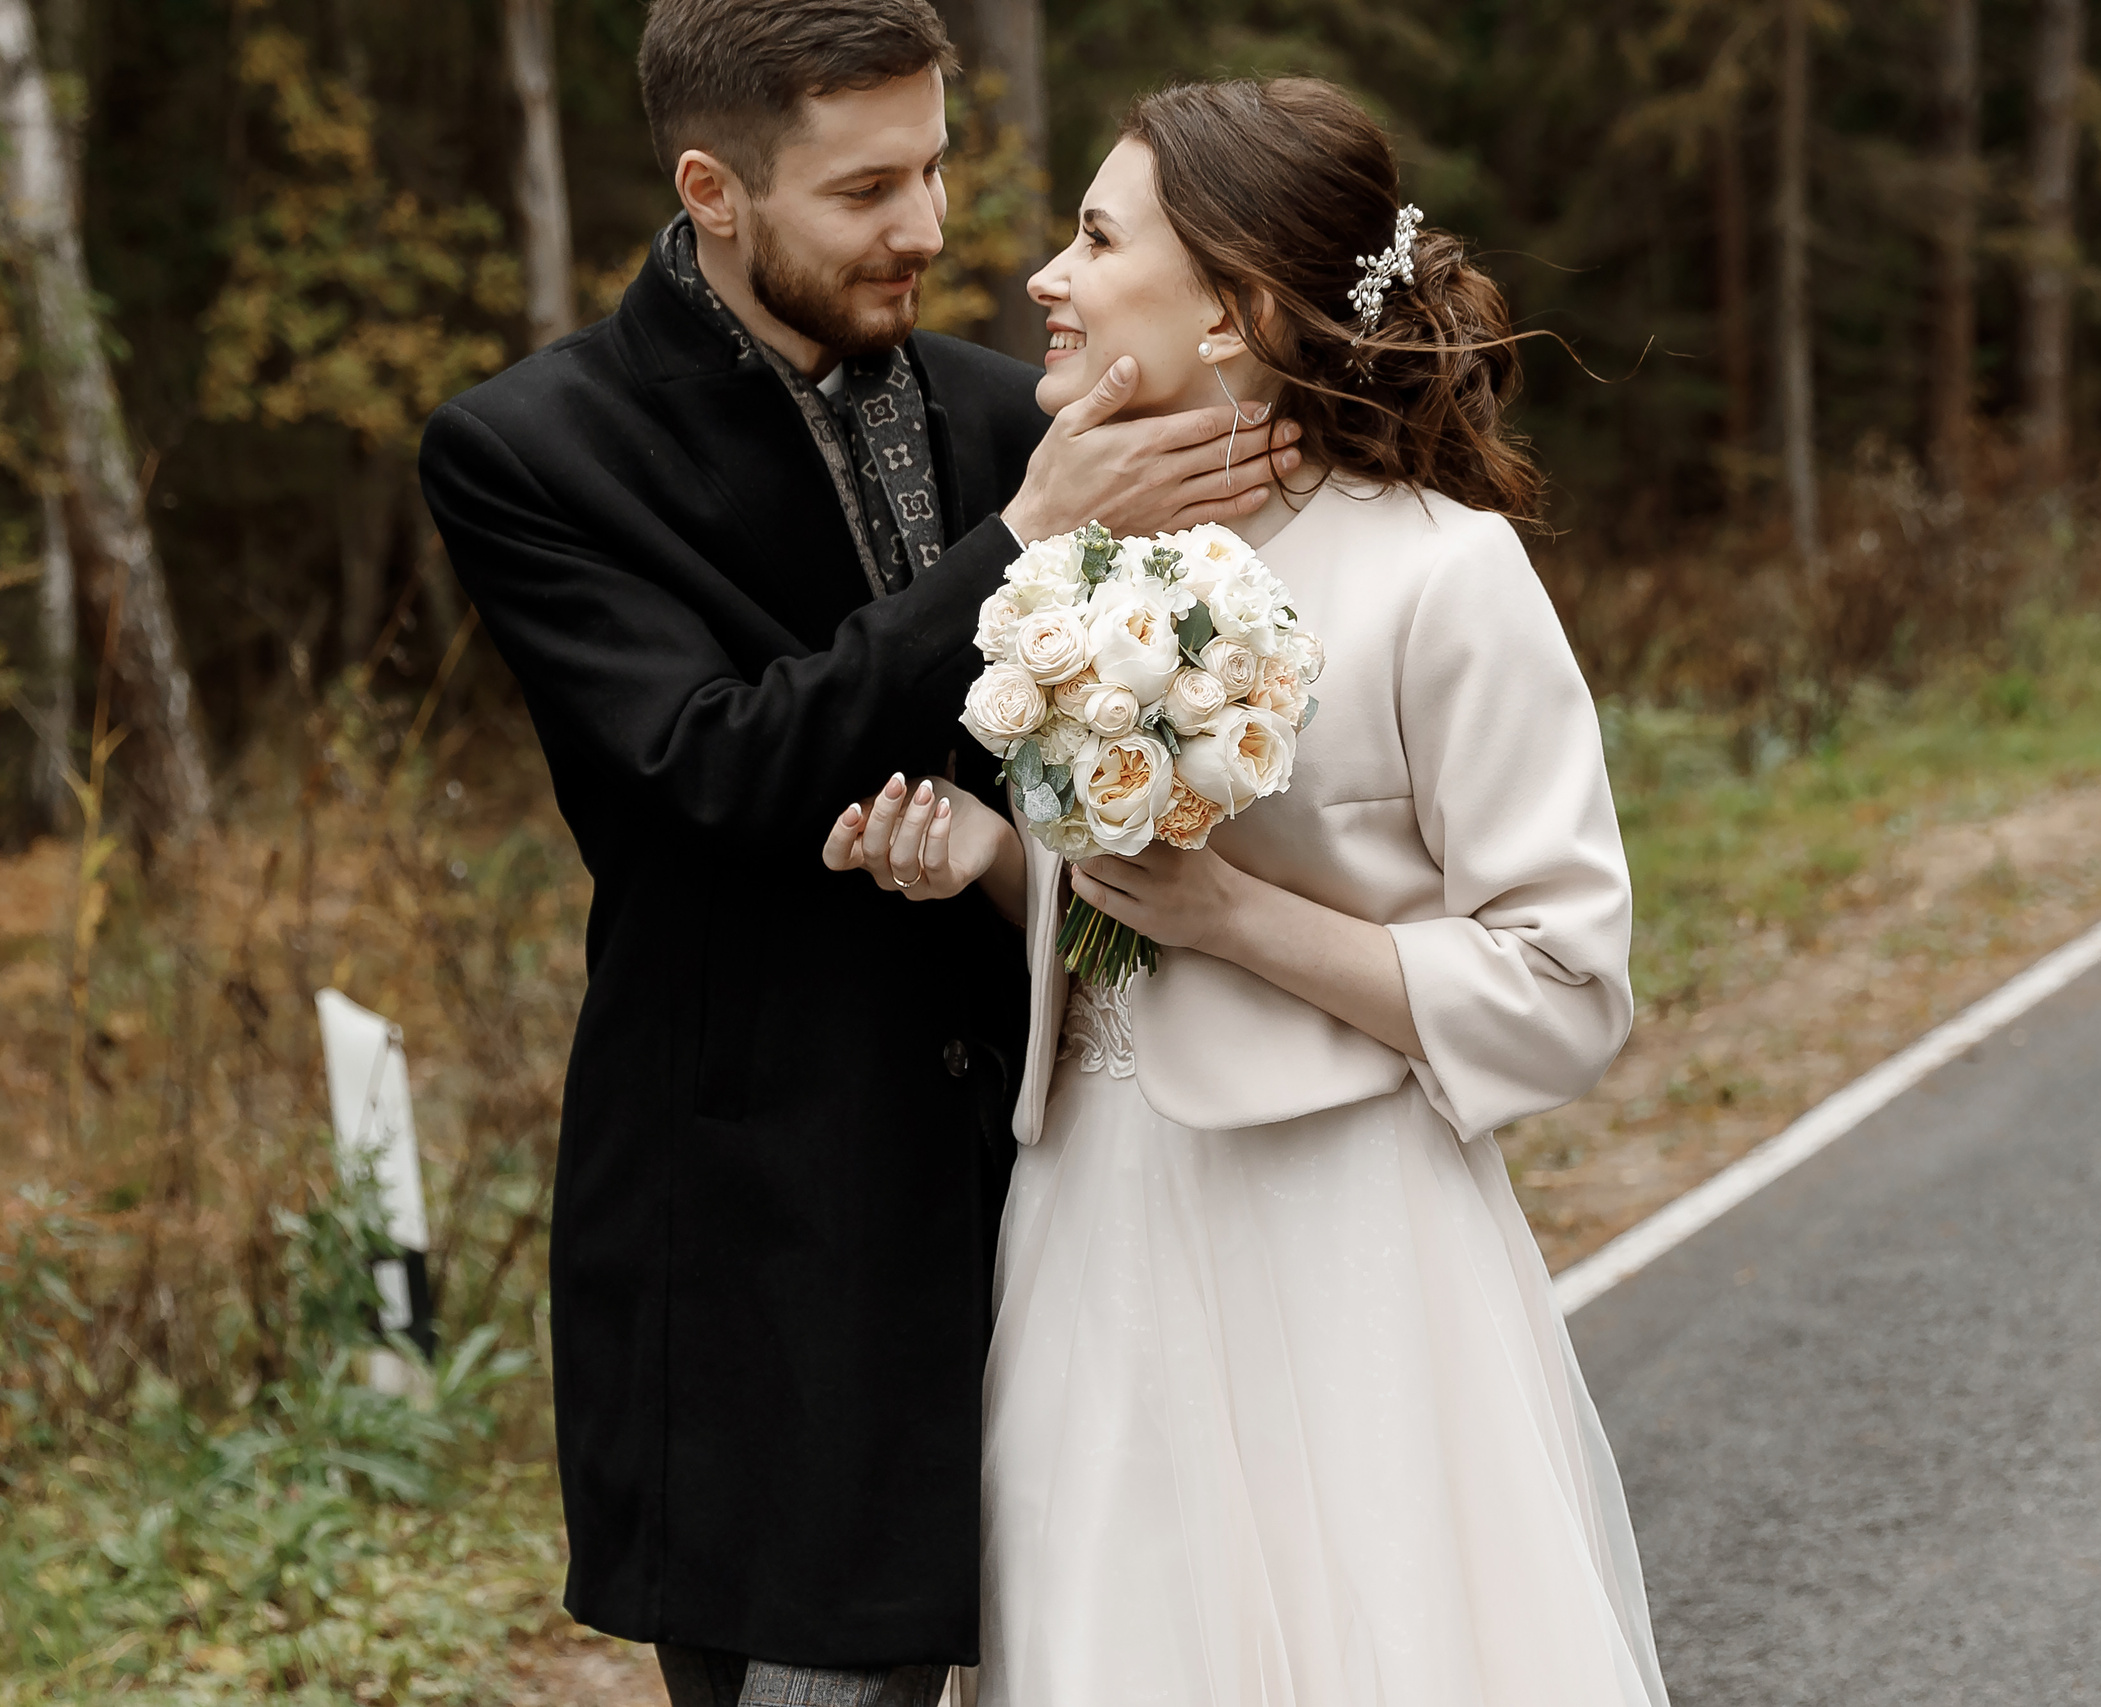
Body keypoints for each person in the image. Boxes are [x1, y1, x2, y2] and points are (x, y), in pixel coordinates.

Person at [417, 6, 1301, 1705]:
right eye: (869, 186)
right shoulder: (534, 452)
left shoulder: (1007, 411)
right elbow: (711, 772)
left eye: (940, 163)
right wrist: (1029, 537)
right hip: (774, 1259)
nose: (932, 226)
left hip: (1080, 1198)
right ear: (714, 189)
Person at [827, 78, 1670, 1706]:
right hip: (1087, 1229)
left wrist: (1242, 922)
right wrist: (1001, 862)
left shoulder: (1444, 572)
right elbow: (1113, 930)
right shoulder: (1073, 573)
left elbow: (1567, 983)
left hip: (1343, 1242)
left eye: (1092, 238)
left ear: (1236, 313)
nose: (1041, 283)